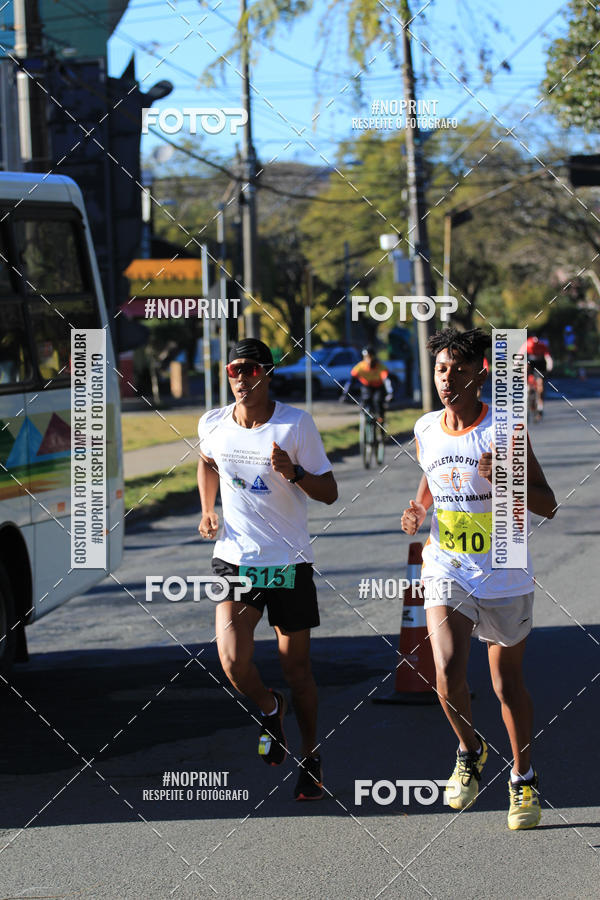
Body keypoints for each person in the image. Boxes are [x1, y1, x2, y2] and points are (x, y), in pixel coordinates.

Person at [401, 327, 557, 831]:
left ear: (481, 373)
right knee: (445, 667)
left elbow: (548, 505)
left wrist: (505, 479)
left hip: (505, 566)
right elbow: (431, 475)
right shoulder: (426, 427)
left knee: (506, 685)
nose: (448, 380)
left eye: (460, 371)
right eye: (442, 370)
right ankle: (469, 750)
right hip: (447, 564)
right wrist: (418, 507)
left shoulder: (505, 429)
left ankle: (523, 778)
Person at [197, 338, 338, 800]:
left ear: (267, 373)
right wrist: (207, 508)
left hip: (288, 563)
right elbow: (206, 461)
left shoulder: (295, 424)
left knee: (296, 669)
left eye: (250, 370)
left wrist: (293, 472)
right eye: (233, 370)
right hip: (236, 558)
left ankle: (311, 756)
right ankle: (269, 706)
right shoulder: (213, 422)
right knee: (233, 660)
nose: (241, 378)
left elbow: (330, 492)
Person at [340, 346, 394, 423]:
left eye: (370, 356)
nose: (369, 359)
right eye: (366, 357)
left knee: (378, 400)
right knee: (365, 399)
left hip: (378, 387)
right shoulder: (360, 367)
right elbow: (350, 381)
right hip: (366, 386)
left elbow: (387, 381)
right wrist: (345, 393)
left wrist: (390, 393)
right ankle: (365, 420)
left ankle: (381, 421)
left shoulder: (381, 367)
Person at [522, 335, 553, 422]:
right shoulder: (526, 345)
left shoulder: (542, 345)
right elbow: (518, 357)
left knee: (540, 387)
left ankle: (540, 407)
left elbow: (548, 358)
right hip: (530, 364)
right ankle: (526, 387)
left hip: (540, 366)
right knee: (525, 368)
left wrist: (549, 367)